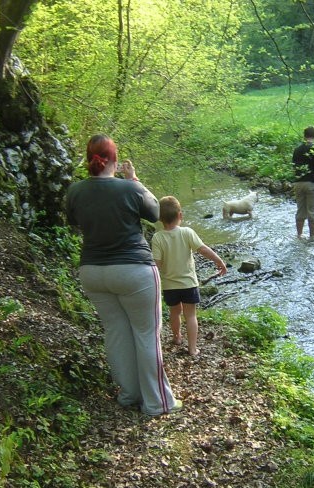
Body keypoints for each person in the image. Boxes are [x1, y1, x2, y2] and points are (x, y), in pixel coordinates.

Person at [66, 134, 181, 416]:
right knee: (146, 334)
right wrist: (134, 180)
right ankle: (157, 403)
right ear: (114, 161)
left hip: (92, 272)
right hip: (133, 270)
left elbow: (72, 221)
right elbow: (155, 212)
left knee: (116, 333)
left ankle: (129, 394)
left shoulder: (75, 192)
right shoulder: (129, 189)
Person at [151, 196, 227, 356]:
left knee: (174, 312)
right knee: (190, 315)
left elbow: (156, 264)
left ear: (159, 218)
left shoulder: (157, 237)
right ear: (180, 215)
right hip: (188, 284)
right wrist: (219, 260)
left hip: (169, 285)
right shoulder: (187, 233)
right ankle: (192, 348)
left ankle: (177, 337)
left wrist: (153, 281)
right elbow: (203, 249)